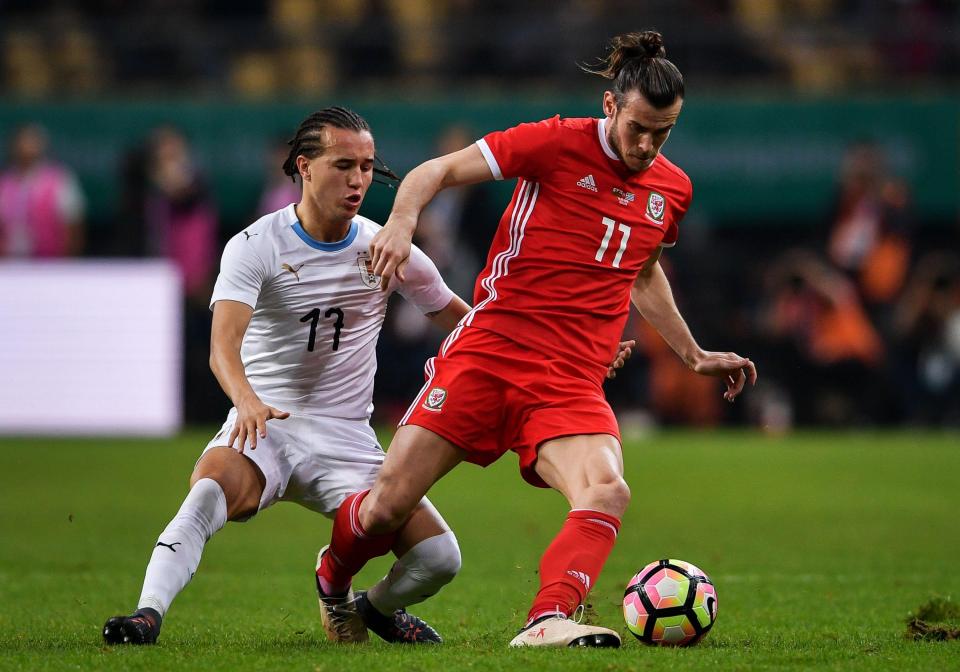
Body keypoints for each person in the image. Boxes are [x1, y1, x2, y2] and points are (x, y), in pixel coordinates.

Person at [314, 31, 757, 648]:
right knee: (387, 506)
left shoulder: (671, 189)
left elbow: (643, 267)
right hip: (489, 353)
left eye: (664, 131)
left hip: (570, 378)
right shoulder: (553, 142)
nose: (648, 145)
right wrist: (400, 223)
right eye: (639, 129)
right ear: (610, 106)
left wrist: (693, 353)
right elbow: (433, 171)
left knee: (606, 489)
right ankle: (333, 579)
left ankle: (548, 617)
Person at [101, 107, 469, 647]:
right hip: (266, 425)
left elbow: (464, 321)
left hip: (347, 437)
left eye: (367, 167)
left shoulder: (385, 248)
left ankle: (366, 606)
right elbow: (222, 348)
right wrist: (246, 400)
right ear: (305, 167)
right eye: (344, 164)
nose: (359, 180)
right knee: (207, 494)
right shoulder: (256, 245)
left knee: (440, 559)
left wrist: (554, 349)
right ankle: (146, 615)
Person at [0, 123, 85, 258]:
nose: (26, 147)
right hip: (8, 266)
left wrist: (68, 263)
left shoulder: (59, 180)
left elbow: (73, 226)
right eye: (22, 141)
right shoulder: (3, 183)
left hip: (49, 265)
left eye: (32, 142)